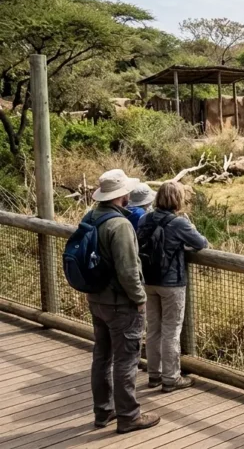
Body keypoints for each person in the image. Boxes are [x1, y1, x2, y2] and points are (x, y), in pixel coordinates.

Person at [86, 169, 160, 434]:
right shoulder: (120, 225)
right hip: (120, 303)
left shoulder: (91, 217)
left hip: (97, 298)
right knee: (126, 360)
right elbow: (128, 270)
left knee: (102, 356)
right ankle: (129, 416)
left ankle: (103, 411)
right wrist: (140, 299)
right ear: (122, 196)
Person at [138, 181, 208, 392]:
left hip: (148, 281)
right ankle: (171, 378)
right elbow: (201, 243)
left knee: (153, 328)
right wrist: (191, 226)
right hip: (171, 283)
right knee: (171, 330)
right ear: (178, 200)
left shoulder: (144, 219)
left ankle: (154, 374)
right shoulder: (179, 223)